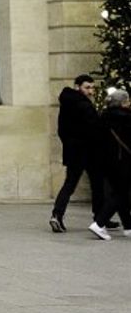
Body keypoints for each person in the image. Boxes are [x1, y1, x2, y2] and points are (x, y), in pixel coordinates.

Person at [50, 74, 108, 233]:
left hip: (74, 151)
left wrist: (69, 144)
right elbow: (95, 128)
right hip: (89, 150)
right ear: (77, 87)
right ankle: (100, 219)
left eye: (92, 88)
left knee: (72, 183)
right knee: (95, 183)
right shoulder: (84, 105)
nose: (91, 91)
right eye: (87, 87)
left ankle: (57, 214)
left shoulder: (67, 103)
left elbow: (62, 130)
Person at [89, 87, 131, 240]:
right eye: (128, 100)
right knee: (121, 193)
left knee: (121, 193)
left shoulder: (103, 117)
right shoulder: (126, 118)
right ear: (123, 103)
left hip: (106, 162)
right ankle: (99, 224)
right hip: (122, 161)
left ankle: (128, 226)